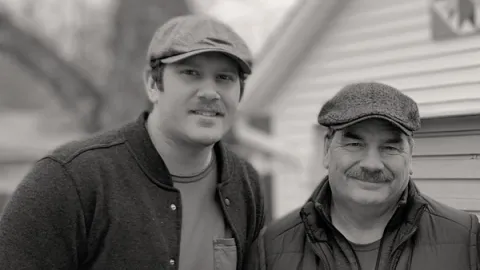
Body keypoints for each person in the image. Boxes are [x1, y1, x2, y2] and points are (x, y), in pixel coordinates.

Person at [0, 14, 266, 270]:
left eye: (224, 78)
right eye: (191, 73)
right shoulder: (71, 179)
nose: (210, 92)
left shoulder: (244, 183)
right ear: (152, 84)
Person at [245, 82, 480, 270]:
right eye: (355, 143)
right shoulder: (271, 248)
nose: (372, 164)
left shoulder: (466, 239)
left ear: (411, 155)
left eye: (389, 147)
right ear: (327, 149)